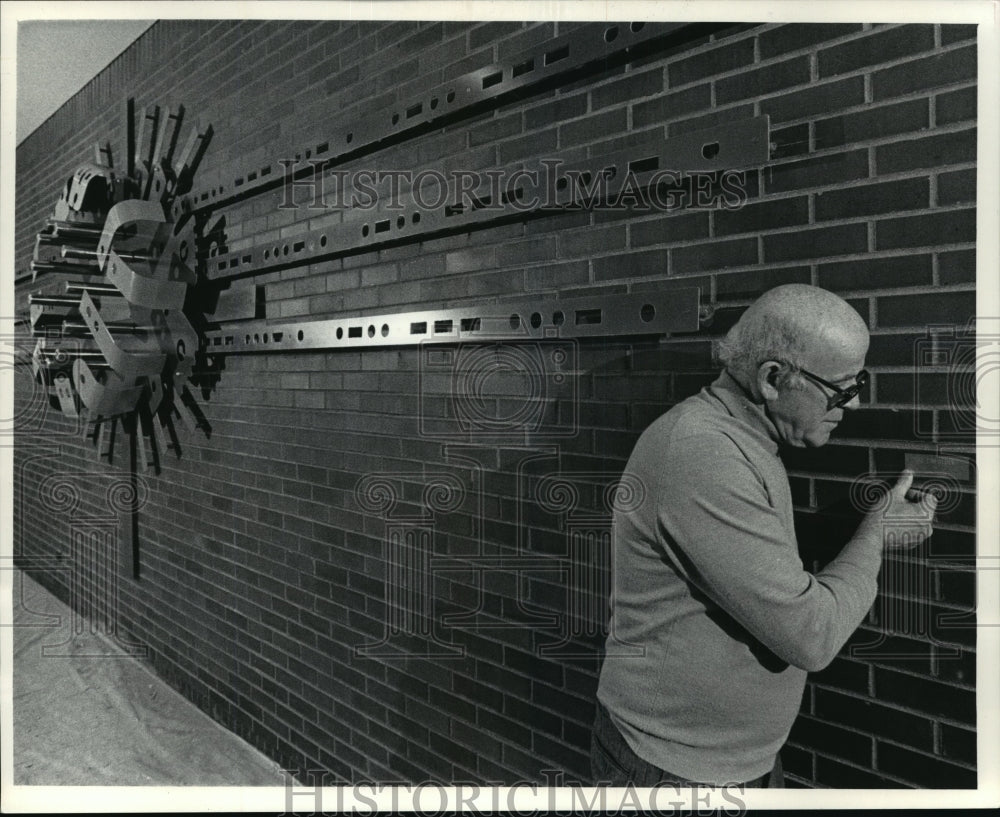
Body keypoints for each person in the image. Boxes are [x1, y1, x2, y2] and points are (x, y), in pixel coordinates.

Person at [592, 284, 937, 787]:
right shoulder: (703, 454)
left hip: (722, 761)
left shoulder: (740, 439)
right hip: (673, 770)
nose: (855, 403)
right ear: (774, 379)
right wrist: (877, 534)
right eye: (842, 386)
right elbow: (810, 635)